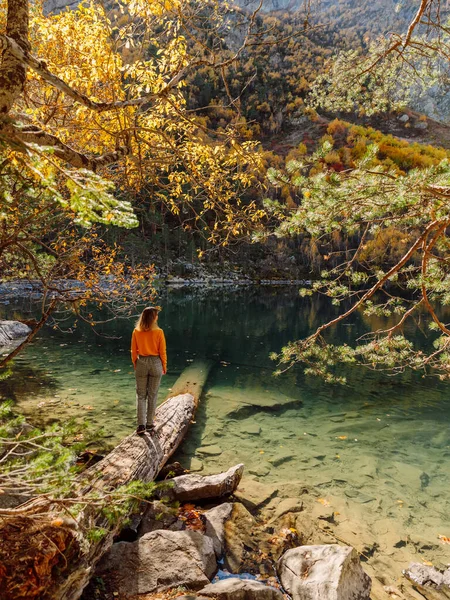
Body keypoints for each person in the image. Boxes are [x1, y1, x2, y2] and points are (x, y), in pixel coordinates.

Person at [131, 306, 167, 435]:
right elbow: (162, 351)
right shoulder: (159, 332)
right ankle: (150, 424)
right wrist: (164, 365)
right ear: (153, 317)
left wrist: (135, 363)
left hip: (141, 362)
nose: (157, 317)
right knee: (152, 394)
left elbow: (133, 351)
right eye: (156, 315)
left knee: (141, 395)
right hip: (156, 363)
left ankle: (141, 426)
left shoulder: (136, 331)